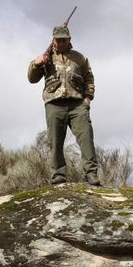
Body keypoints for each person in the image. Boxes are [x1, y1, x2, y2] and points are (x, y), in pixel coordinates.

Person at [28, 24, 101, 186]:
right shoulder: (46, 57)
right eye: (58, 40)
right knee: (55, 140)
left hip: (77, 104)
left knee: (86, 137)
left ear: (69, 40)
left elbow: (89, 77)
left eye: (64, 40)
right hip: (54, 103)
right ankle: (58, 175)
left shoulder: (80, 57)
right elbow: (32, 79)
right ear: (53, 40)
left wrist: (87, 98)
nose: (61, 43)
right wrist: (36, 63)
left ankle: (91, 173)